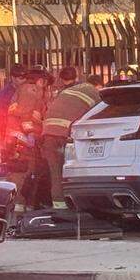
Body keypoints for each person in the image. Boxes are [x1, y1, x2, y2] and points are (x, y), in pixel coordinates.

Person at [41, 66, 100, 209]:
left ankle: (59, 206)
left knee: (56, 173)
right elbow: (99, 113)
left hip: (48, 134)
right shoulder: (93, 92)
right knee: (77, 170)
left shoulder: (64, 92)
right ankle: (80, 205)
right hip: (66, 135)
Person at [6, 65, 49, 208]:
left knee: (26, 172)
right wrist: (30, 133)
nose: (46, 85)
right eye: (44, 81)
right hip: (23, 138)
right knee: (23, 172)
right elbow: (26, 115)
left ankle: (22, 205)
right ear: (39, 80)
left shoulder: (24, 90)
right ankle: (19, 205)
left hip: (18, 137)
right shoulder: (30, 90)